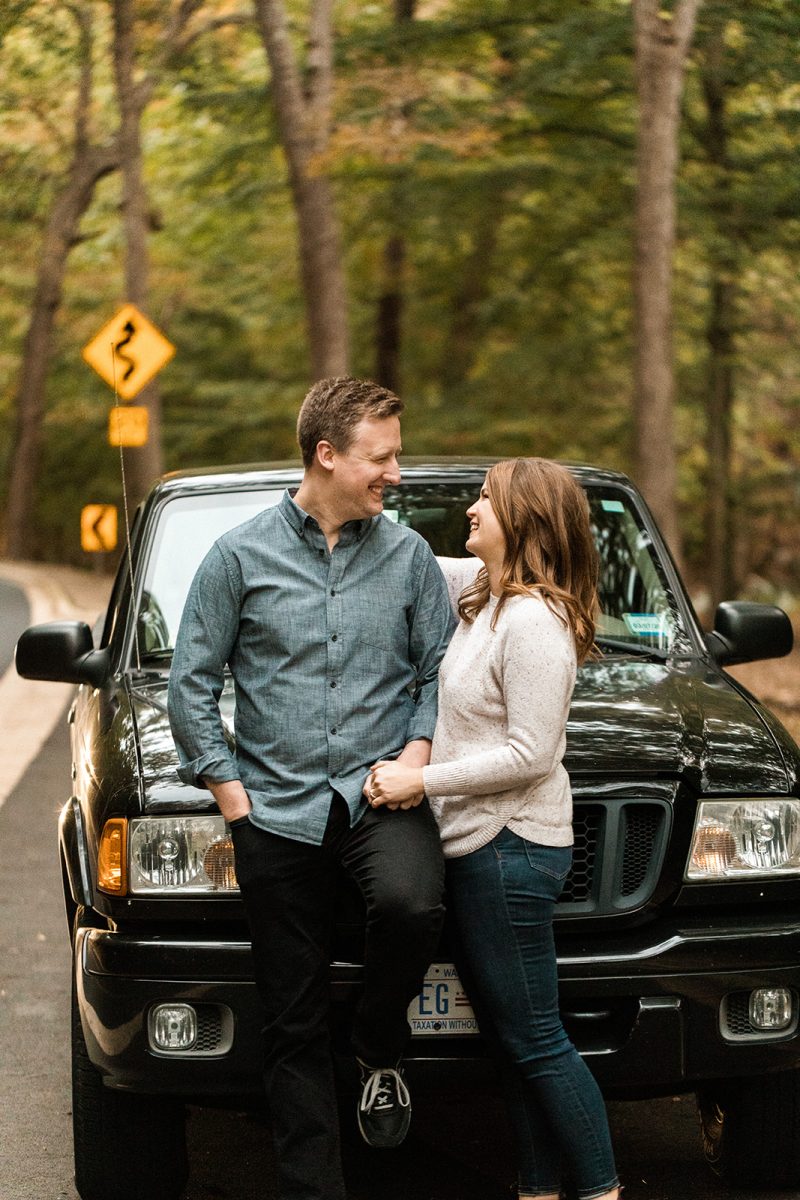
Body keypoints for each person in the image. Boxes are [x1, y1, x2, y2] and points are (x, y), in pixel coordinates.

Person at [168, 377, 454, 1200]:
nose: (396, 471)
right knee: (289, 1017)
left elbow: (436, 668)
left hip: (379, 797)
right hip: (274, 810)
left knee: (412, 906)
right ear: (327, 455)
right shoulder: (237, 556)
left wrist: (417, 754)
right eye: (384, 455)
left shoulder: (408, 560)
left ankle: (376, 1045)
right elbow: (191, 682)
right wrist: (231, 796)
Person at [368, 458, 621, 1200]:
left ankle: (602, 1190)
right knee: (514, 1044)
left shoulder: (536, 621)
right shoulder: (485, 601)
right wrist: (358, 490)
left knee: (539, 1040)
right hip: (482, 845)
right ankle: (537, 1190)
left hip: (511, 849)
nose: (473, 508)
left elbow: (530, 754)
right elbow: (406, 554)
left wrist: (421, 780)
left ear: (526, 519)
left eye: (487, 498)